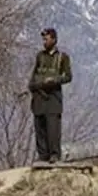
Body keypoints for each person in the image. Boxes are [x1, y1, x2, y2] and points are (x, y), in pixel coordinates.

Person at [27, 28, 72, 164]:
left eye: (46, 39)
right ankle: (43, 156)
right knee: (39, 127)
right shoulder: (40, 56)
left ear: (54, 39)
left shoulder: (62, 57)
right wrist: (33, 85)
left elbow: (68, 77)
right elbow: (34, 74)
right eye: (43, 39)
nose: (44, 42)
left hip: (53, 98)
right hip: (39, 98)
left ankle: (54, 155)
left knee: (53, 129)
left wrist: (53, 81)